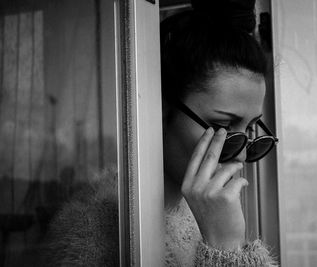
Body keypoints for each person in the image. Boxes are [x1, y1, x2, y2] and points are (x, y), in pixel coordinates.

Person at [41, 2, 278, 266]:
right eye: (222, 127)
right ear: (158, 111)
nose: (242, 156)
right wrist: (226, 250)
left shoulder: (200, 211)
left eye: (251, 129)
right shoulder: (99, 235)